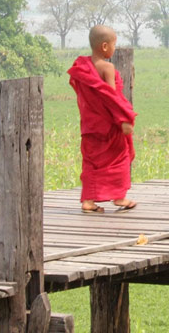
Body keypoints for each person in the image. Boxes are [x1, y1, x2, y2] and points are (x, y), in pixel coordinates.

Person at [68, 25, 138, 213]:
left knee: (91, 162)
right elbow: (111, 97)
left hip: (90, 125)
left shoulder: (82, 68)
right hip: (109, 125)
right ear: (105, 46)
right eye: (115, 44)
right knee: (120, 158)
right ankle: (119, 197)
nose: (115, 49)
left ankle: (88, 201)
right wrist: (124, 118)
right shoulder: (107, 67)